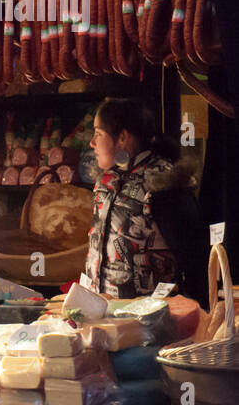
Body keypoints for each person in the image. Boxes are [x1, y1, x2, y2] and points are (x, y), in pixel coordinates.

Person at [84, 98, 205, 300]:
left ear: (122, 138)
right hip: (104, 314)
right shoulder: (106, 181)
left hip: (154, 321)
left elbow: (195, 259)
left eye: (98, 134)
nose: (92, 142)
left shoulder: (164, 184)